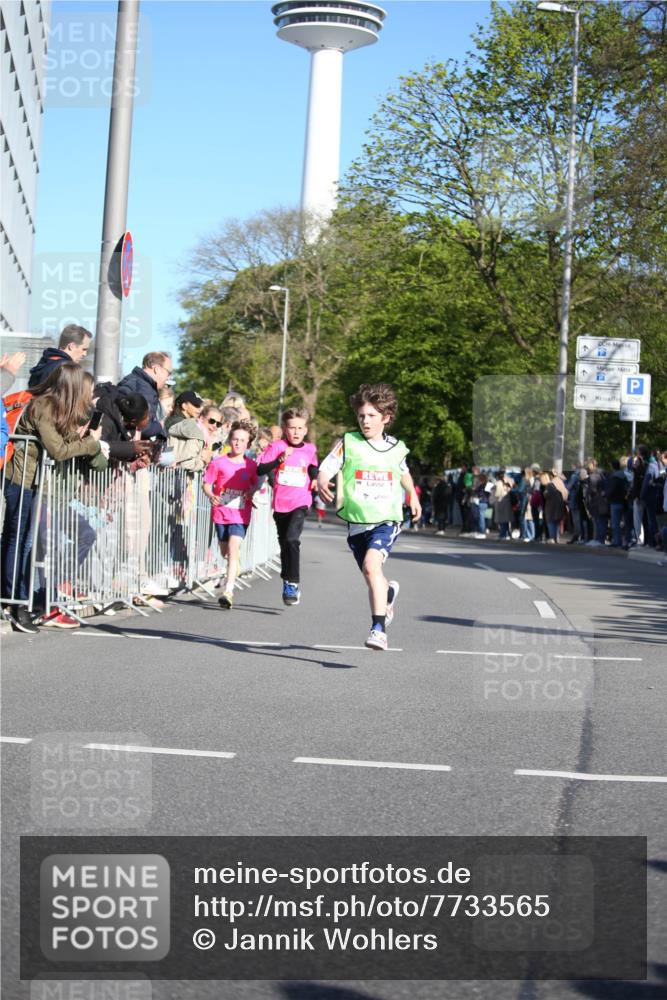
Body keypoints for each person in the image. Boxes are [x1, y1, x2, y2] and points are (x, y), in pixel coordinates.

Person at [317, 383, 421, 652]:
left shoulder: (396, 447)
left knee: (371, 567)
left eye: (372, 416)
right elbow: (327, 467)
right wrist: (322, 481)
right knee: (370, 574)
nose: (365, 421)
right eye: (362, 415)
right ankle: (388, 594)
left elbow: (403, 472)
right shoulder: (348, 442)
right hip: (357, 522)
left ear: (385, 417)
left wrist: (413, 495)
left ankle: (379, 630)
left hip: (386, 519)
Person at [1, 364, 103, 633]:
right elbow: (58, 450)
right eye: (85, 389)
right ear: (72, 387)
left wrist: (87, 443)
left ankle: (16, 599)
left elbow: (70, 444)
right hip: (20, 479)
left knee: (24, 542)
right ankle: (15, 602)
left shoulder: (60, 410)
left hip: (35, 482)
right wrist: (90, 444)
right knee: (17, 539)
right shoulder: (43, 406)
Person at [256, 407, 318, 606]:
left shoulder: (310, 449)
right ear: (284, 428)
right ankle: (287, 579)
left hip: (301, 502)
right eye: (292, 428)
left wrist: (315, 479)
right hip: (281, 504)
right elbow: (260, 469)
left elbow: (312, 466)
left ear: (306, 430)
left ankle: (293, 583)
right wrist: (278, 460)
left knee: (292, 539)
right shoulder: (276, 446)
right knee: (284, 543)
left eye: (300, 428)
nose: (296, 432)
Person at [202, 419, 258, 609]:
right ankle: (233, 566)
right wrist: (211, 495)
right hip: (221, 513)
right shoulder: (218, 463)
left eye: (242, 440)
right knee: (225, 552)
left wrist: (252, 492)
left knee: (234, 549)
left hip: (241, 515)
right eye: (235, 439)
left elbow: (255, 484)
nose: (238, 443)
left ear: (248, 444)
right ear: (229, 440)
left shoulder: (250, 466)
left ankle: (229, 591)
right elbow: (207, 483)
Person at [116, 351, 174, 441]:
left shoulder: (132, 380)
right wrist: (160, 425)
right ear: (157, 369)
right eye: (168, 373)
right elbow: (142, 426)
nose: (168, 377)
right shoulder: (145, 389)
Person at [28, 325, 92, 388]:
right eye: (84, 349)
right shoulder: (66, 369)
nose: (85, 354)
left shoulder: (45, 363)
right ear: (72, 346)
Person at [167, 403, 222, 471]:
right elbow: (187, 465)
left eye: (218, 424)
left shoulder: (192, 428)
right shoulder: (197, 435)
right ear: (201, 418)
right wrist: (204, 462)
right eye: (212, 421)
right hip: (173, 477)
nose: (215, 426)